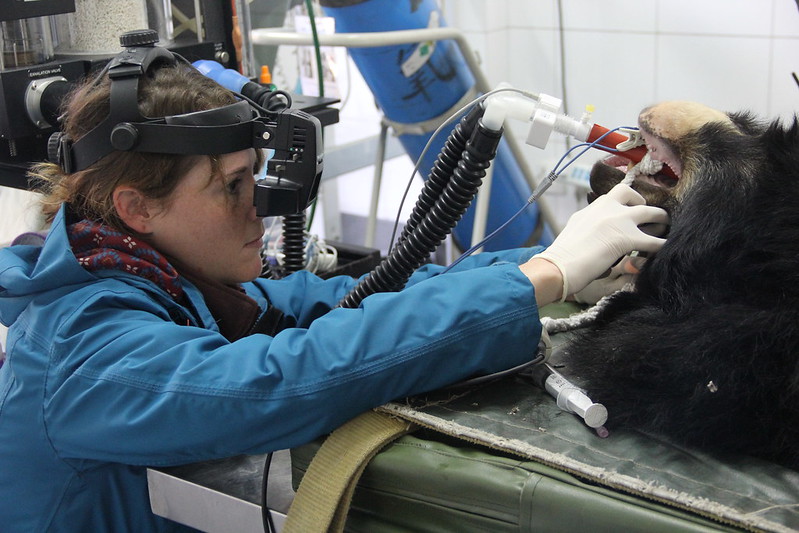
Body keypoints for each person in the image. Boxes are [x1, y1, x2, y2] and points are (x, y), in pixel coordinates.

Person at [0, 59, 668, 532]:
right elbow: (276, 381)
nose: (255, 209)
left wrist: (562, 262)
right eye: (229, 187)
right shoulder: (83, 349)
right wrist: (540, 279)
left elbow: (348, 298)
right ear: (137, 207)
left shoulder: (161, 278)